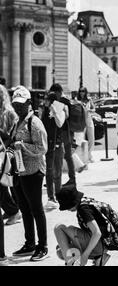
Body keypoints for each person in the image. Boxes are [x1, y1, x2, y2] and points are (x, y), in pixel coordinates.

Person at [10, 86, 49, 261]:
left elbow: (42, 148)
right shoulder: (17, 121)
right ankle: (29, 243)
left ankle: (43, 246)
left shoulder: (35, 122)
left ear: (28, 103)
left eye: (20, 104)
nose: (17, 108)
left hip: (33, 171)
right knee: (25, 209)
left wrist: (22, 146)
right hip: (20, 171)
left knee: (36, 209)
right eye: (15, 104)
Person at [54, 187, 110, 266]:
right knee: (60, 250)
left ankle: (71, 263)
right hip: (104, 245)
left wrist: (85, 256)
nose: (67, 209)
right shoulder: (86, 202)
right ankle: (99, 258)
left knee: (58, 228)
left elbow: (97, 233)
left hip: (100, 245)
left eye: (67, 206)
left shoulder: (83, 209)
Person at [41, 90, 68, 210]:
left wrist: (55, 111)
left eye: (46, 100)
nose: (44, 102)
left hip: (57, 145)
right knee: (49, 172)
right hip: (48, 145)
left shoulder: (59, 109)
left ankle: (58, 196)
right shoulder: (44, 111)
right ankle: (51, 197)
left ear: (51, 101)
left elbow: (60, 124)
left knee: (57, 172)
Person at [0, 84, 22, 227]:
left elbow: (13, 135)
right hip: (2, 153)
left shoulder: (9, 113)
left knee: (5, 184)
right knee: (4, 183)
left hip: (8, 153)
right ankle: (11, 210)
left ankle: (14, 211)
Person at [49, 83, 78, 187]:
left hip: (64, 133)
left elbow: (57, 119)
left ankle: (62, 179)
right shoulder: (66, 100)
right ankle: (71, 178)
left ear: (57, 92)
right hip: (68, 132)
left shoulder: (60, 102)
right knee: (67, 156)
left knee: (64, 156)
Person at [77, 87, 96, 163]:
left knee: (91, 138)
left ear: (85, 92)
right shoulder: (77, 100)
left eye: (83, 91)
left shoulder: (89, 100)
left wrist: (89, 110)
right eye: (80, 91)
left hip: (89, 120)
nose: (82, 93)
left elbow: (94, 109)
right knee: (81, 138)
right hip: (80, 121)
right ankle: (82, 155)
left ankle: (89, 155)